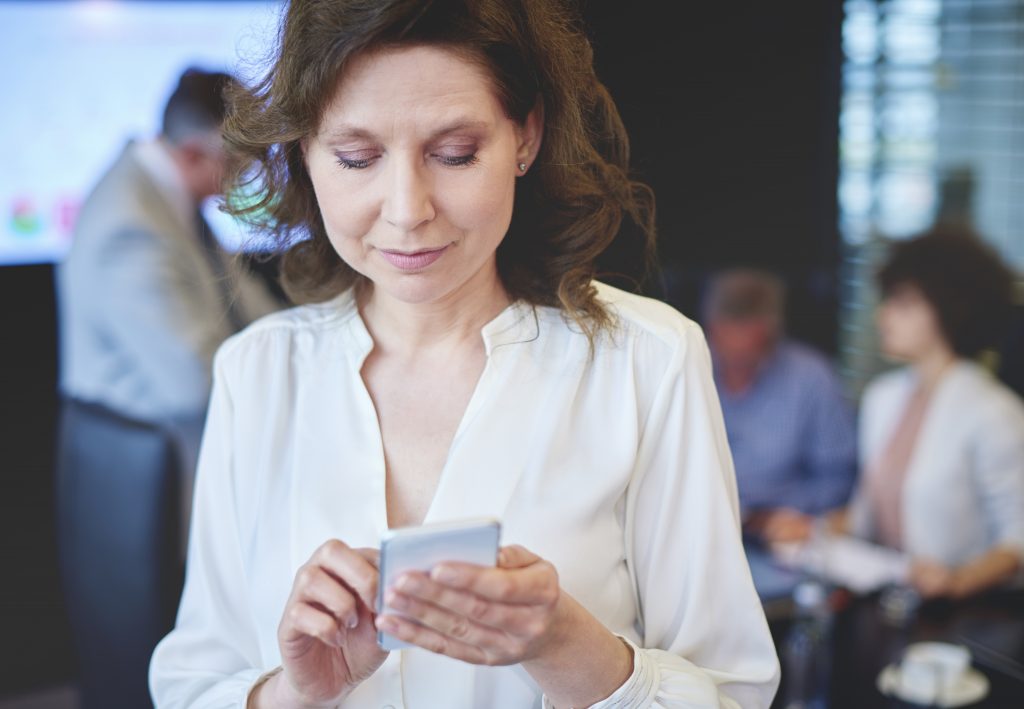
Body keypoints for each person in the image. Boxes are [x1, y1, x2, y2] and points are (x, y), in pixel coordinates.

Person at [149, 1, 780, 707]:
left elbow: (732, 695)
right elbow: (192, 683)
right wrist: (294, 692)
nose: (406, 208)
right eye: (356, 158)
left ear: (526, 136)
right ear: (305, 152)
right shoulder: (257, 372)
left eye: (453, 154)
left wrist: (566, 644)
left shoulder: (647, 364)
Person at [57, 67, 283, 483]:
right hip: (149, 468)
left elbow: (246, 302)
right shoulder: (130, 227)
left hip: (189, 440)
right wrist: (294, 388)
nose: (243, 177)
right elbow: (192, 385)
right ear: (193, 154)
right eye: (237, 162)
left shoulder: (166, 196)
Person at [838, 226, 1024, 599]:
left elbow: (1017, 541)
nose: (883, 316)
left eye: (903, 304)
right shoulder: (882, 398)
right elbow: (867, 517)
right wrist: (812, 531)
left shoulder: (994, 412)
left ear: (949, 311)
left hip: (962, 616)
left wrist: (956, 583)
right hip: (890, 597)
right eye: (888, 300)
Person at [703, 268, 857, 544]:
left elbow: (838, 475)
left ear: (770, 335)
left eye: (747, 342)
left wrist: (784, 513)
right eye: (726, 338)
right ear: (711, 330)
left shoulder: (811, 377)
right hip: (703, 526)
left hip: (780, 535)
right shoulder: (693, 369)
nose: (735, 350)